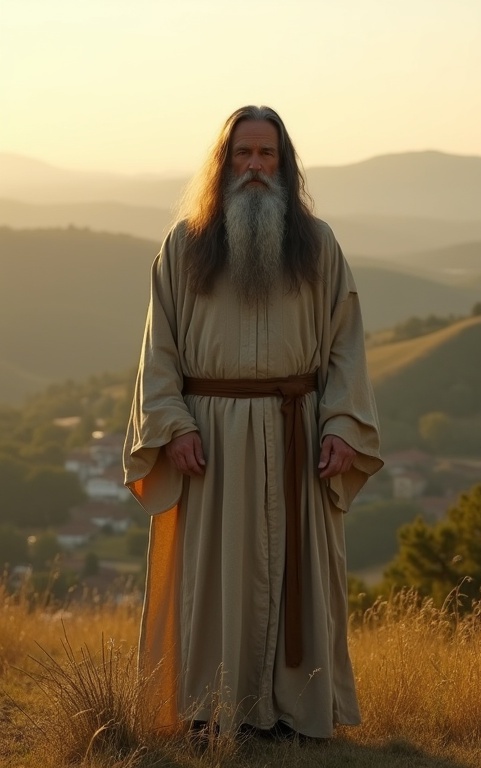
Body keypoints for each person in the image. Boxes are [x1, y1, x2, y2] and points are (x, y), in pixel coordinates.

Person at [123, 105, 383, 740]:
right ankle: (214, 711)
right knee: (214, 581)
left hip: (299, 433)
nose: (256, 168)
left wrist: (342, 425)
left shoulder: (318, 246)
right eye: (244, 155)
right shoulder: (184, 246)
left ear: (285, 165)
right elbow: (158, 350)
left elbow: (346, 343)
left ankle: (296, 713)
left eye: (267, 156)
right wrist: (175, 424)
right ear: (225, 163)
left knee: (298, 575)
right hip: (211, 442)